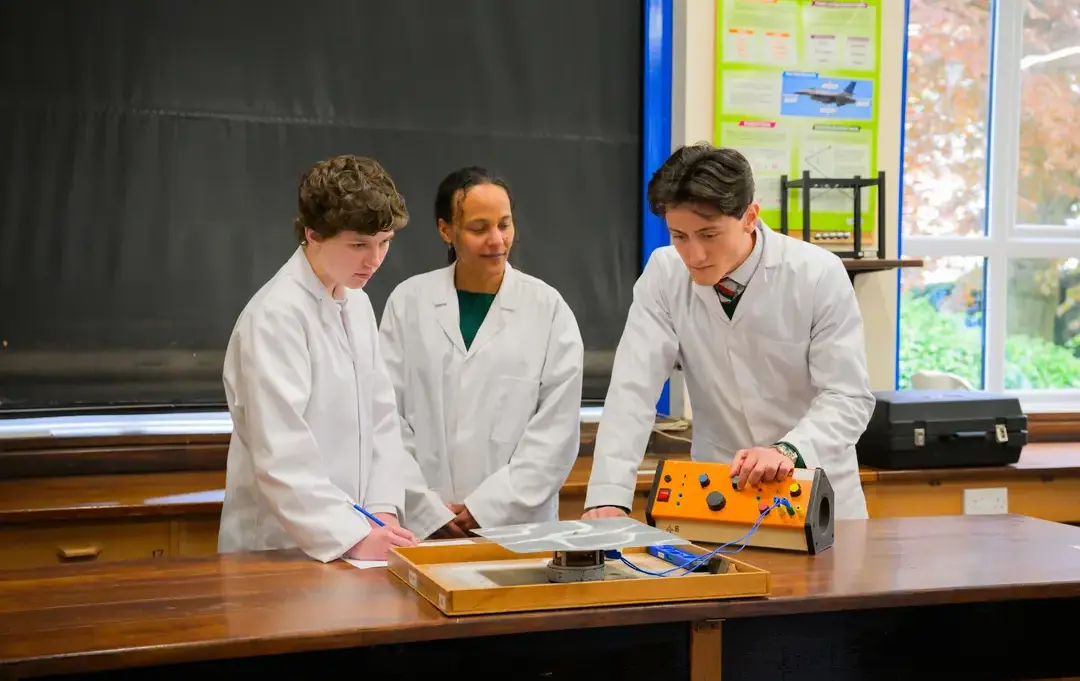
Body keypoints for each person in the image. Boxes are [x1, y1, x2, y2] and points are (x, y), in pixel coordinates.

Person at [583, 143, 875, 521]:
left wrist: (787, 451)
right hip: (719, 490)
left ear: (750, 216)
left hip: (813, 483)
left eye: (709, 235)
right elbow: (632, 390)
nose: (694, 255)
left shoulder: (818, 274)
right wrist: (608, 496)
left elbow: (848, 396)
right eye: (679, 236)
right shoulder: (664, 274)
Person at [218, 154, 419, 562]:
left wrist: (380, 511)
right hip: (281, 547)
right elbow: (281, 454)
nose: (375, 260)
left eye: (384, 243)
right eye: (359, 244)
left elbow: (381, 418)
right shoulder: (275, 316)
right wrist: (351, 536)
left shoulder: (357, 303)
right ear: (313, 234)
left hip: (357, 538)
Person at [379, 166, 585, 540]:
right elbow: (386, 417)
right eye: (479, 228)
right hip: (422, 525)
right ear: (446, 230)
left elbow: (556, 431)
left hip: (517, 526)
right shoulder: (409, 303)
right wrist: (425, 507)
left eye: (504, 225)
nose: (497, 240)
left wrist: (485, 507)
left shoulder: (547, 308)